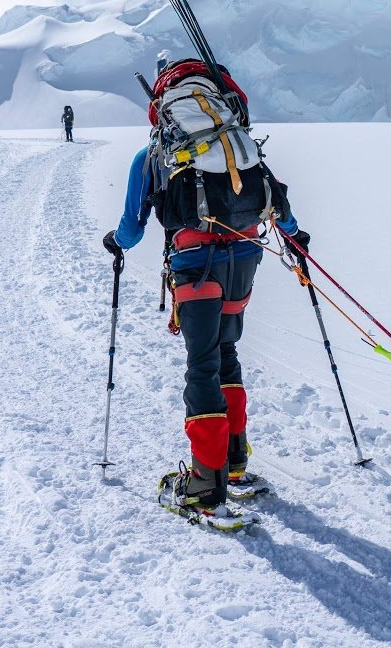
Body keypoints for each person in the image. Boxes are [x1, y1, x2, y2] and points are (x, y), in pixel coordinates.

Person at [107, 57, 306, 521]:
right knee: (226, 352)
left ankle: (204, 482)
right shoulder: (236, 144)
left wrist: (115, 243)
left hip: (197, 265)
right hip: (246, 256)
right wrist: (296, 238)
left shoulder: (154, 154)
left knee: (201, 365)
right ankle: (233, 465)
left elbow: (132, 230)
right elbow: (276, 198)